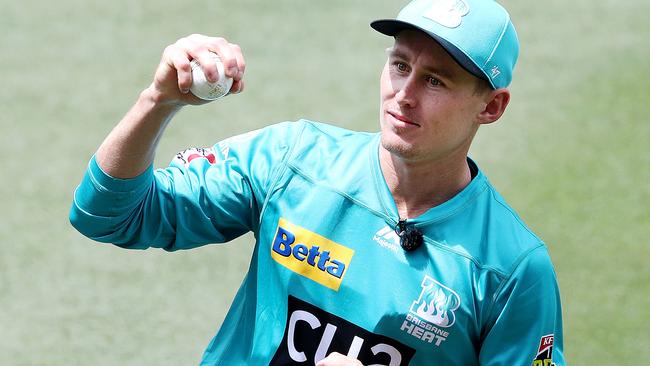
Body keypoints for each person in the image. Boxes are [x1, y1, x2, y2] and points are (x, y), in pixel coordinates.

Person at [70, 0, 565, 365]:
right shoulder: (293, 160)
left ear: (491, 106)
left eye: (435, 81)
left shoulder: (512, 271)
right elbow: (108, 215)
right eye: (399, 65)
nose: (404, 95)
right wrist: (158, 101)